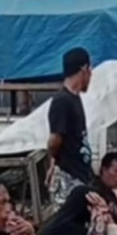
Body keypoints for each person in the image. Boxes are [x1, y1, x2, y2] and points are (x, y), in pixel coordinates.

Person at [47, 47, 94, 206]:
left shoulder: (75, 99)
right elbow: (55, 140)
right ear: (84, 69)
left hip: (80, 176)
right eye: (90, 70)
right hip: (69, 179)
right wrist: (53, 160)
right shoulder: (62, 100)